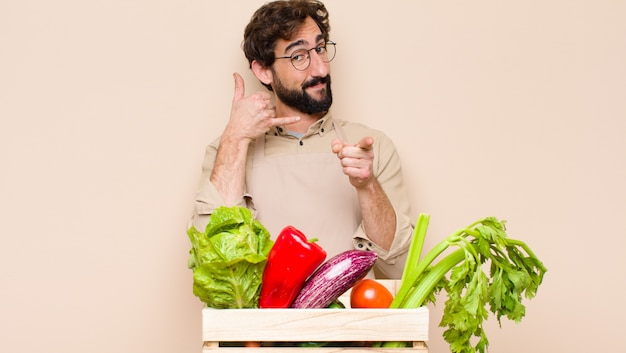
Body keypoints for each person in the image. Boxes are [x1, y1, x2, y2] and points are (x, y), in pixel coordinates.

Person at [189, 0, 413, 278]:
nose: (320, 69)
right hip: (261, 323)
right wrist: (235, 138)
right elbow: (212, 263)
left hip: (351, 321)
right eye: (299, 56)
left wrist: (367, 186)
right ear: (263, 71)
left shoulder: (372, 145)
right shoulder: (228, 150)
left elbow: (401, 269)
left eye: (320, 49)